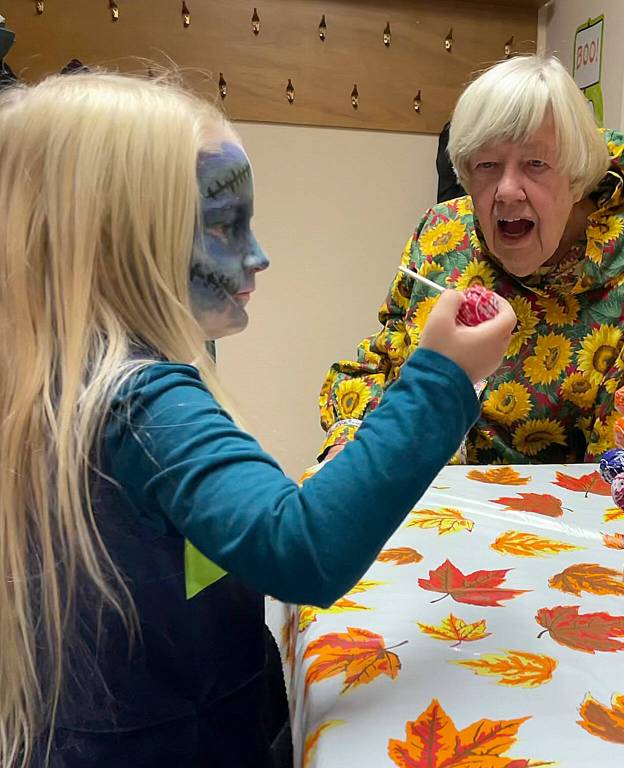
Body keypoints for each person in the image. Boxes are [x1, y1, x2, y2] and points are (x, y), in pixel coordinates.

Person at [0, 72, 514, 768]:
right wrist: (443, 378)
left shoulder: (51, 367)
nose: (259, 254)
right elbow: (300, 549)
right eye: (223, 223)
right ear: (116, 240)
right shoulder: (144, 400)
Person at [318, 55, 624, 466]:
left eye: (535, 164)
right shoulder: (440, 235)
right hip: (419, 495)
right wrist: (349, 443)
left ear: (576, 180)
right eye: (487, 165)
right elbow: (382, 363)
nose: (506, 191)